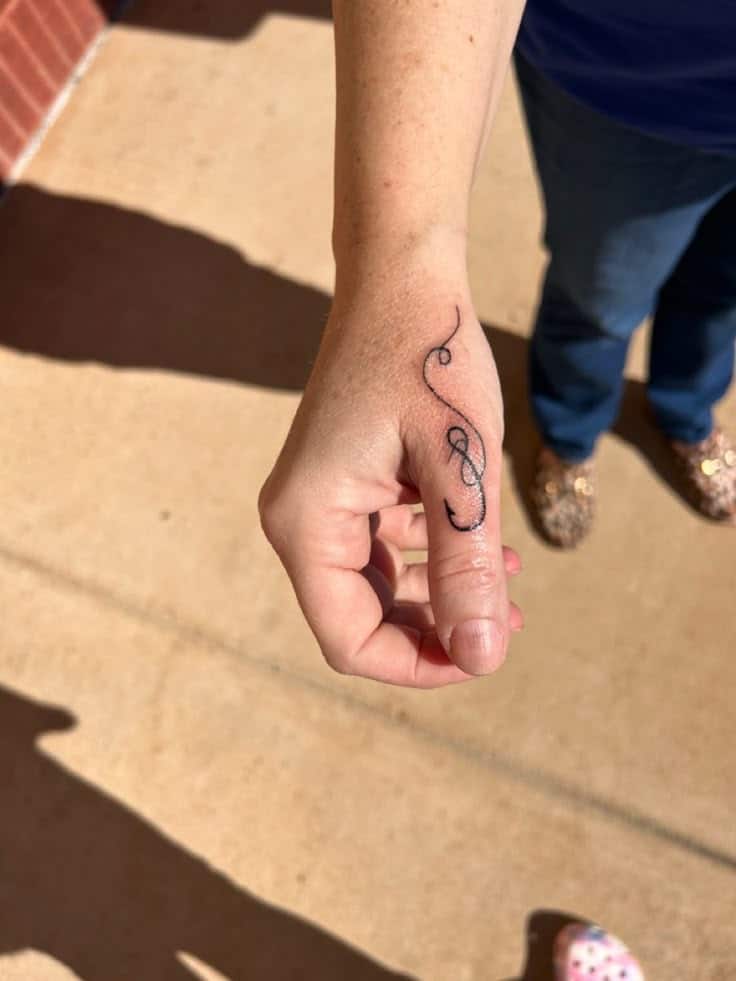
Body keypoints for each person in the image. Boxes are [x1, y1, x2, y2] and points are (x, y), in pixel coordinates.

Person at [258, 1, 736, 688]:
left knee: (722, 293)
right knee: (602, 299)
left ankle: (687, 415)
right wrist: (399, 267)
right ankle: (569, 435)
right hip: (633, 88)